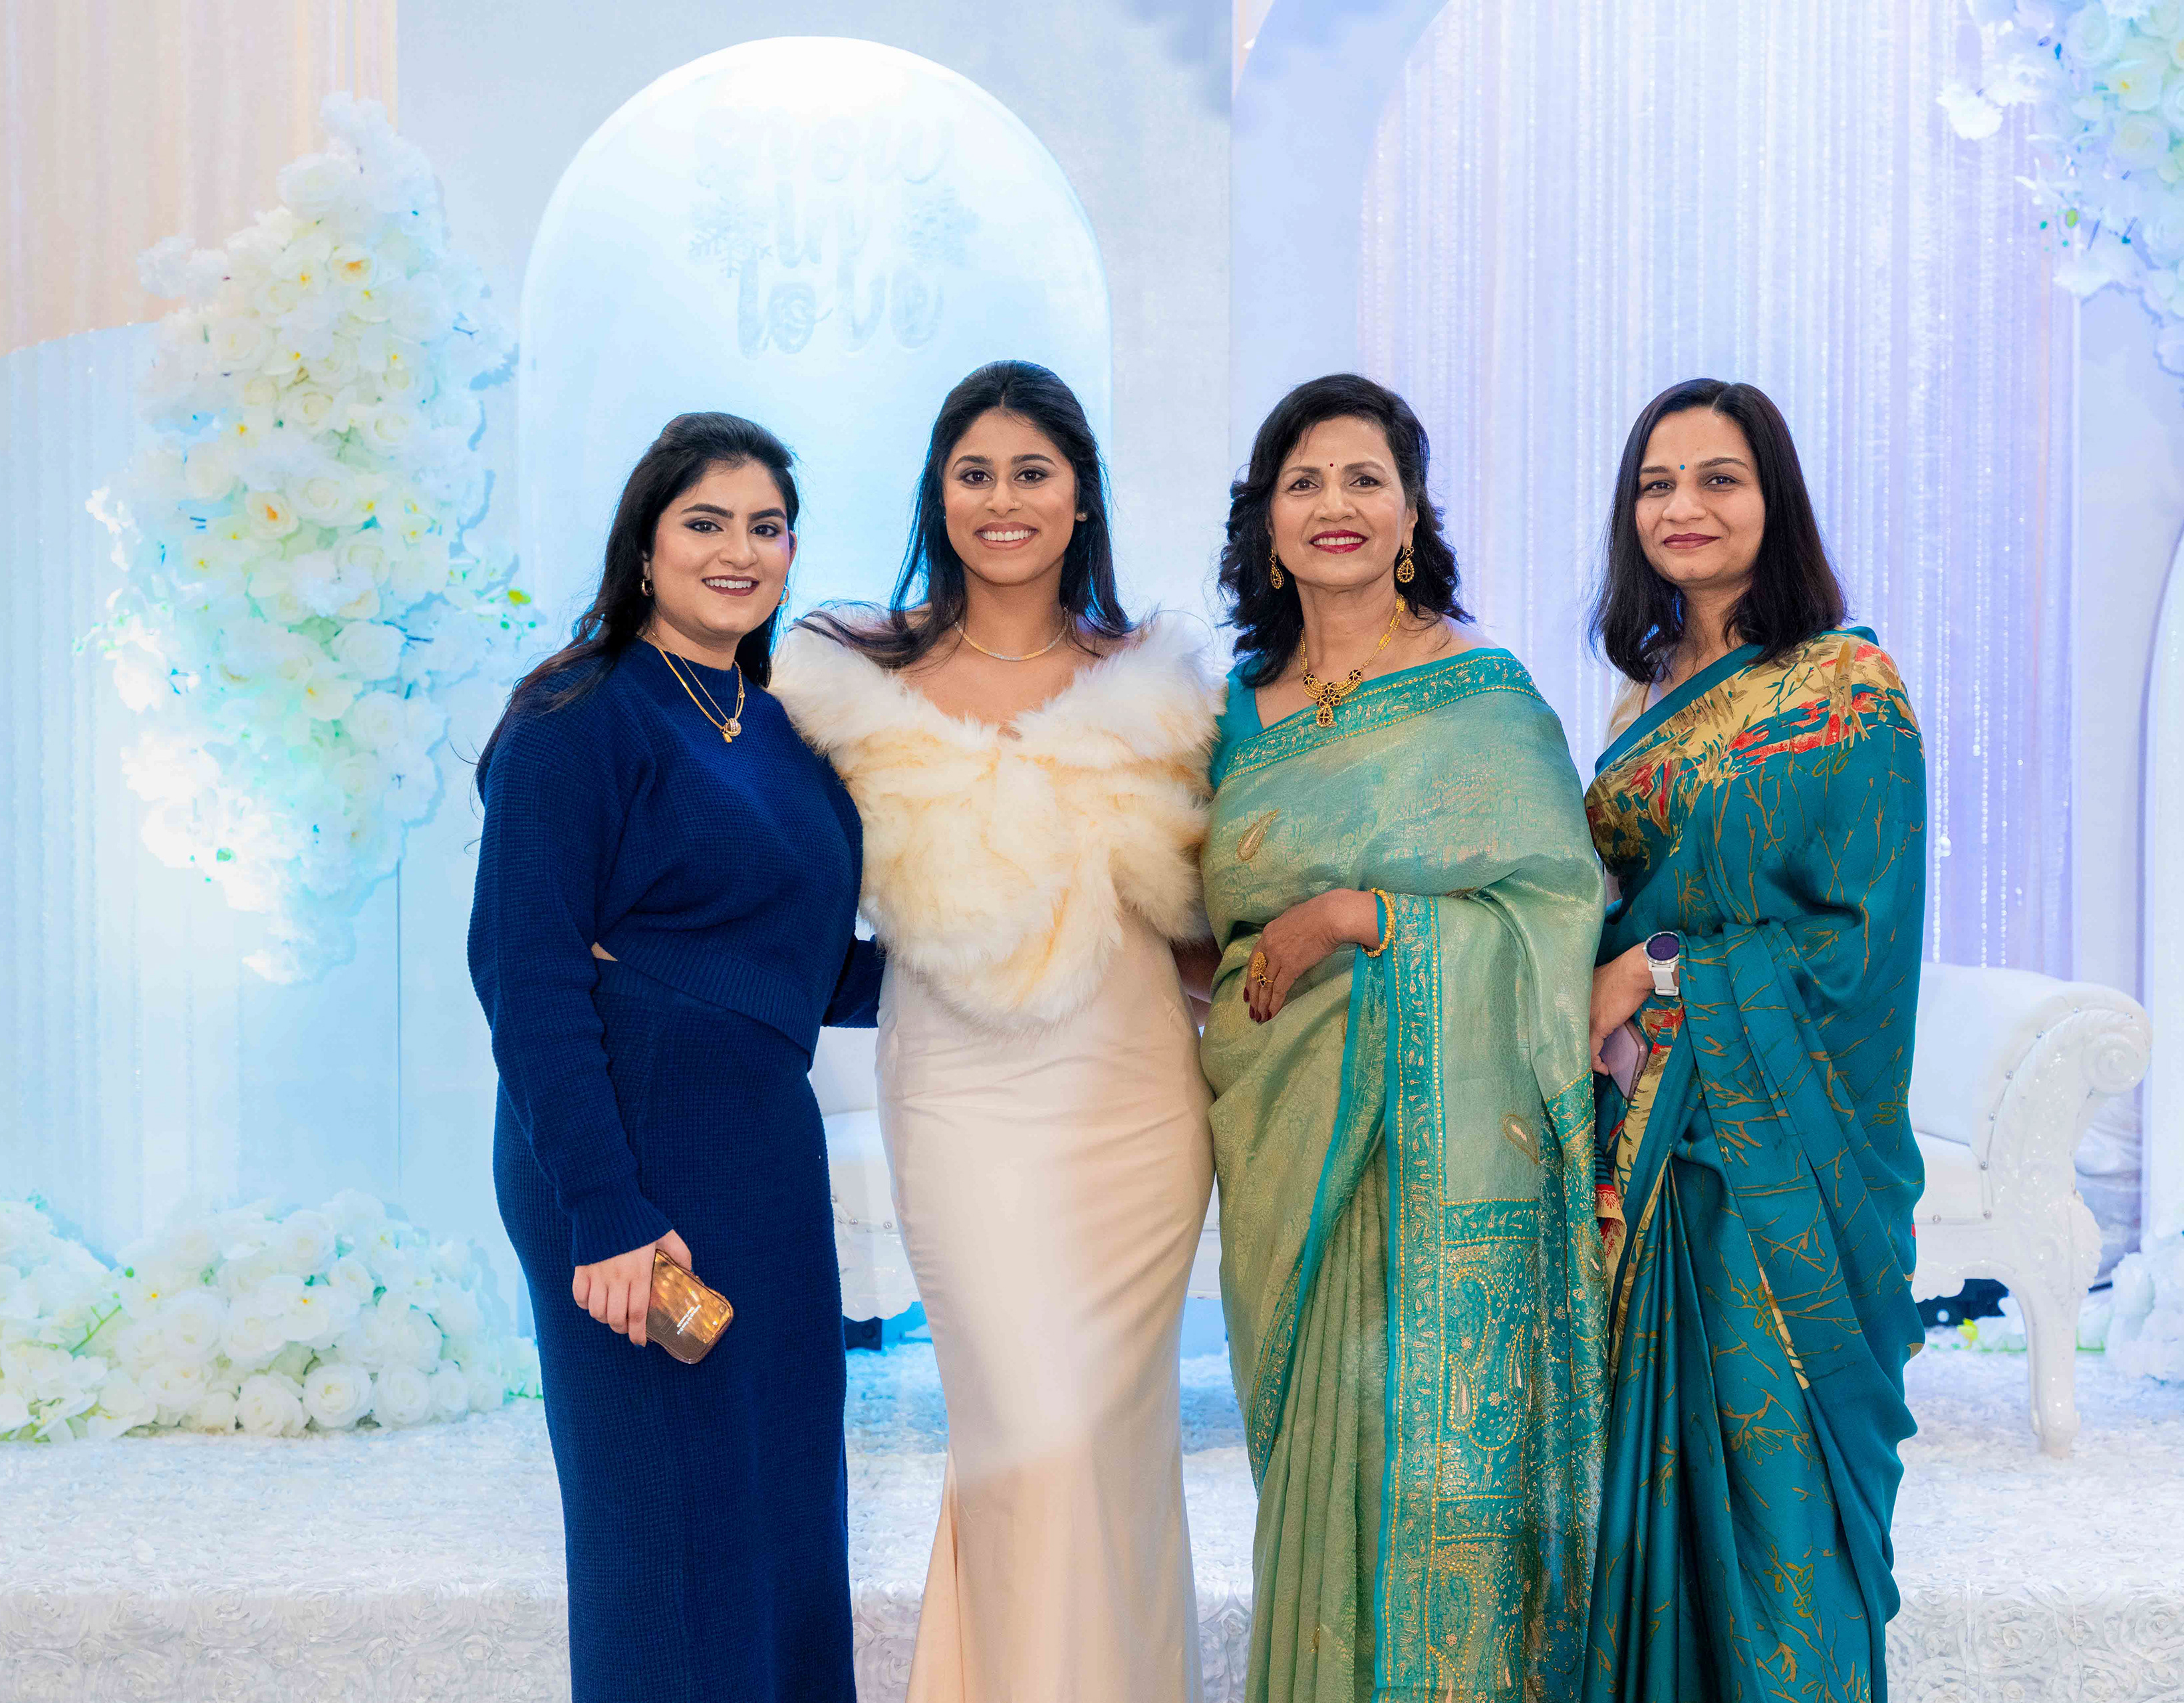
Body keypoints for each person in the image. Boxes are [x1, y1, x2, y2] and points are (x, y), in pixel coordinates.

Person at [773, 360, 1217, 1702]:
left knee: (1108, 1445)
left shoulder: (1161, 684)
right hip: (960, 1099)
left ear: (1081, 497)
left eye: (1033, 471)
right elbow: (749, 845)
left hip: (1135, 1106)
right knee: (1027, 1432)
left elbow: (1215, 915)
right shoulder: (850, 680)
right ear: (939, 493)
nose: (1003, 498)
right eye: (975, 473)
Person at [1198, 372, 1607, 1703]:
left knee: (1440, 1476)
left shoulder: (1484, 696)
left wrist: (1363, 915)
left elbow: (1555, 912)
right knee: (1313, 1481)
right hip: (1287, 1140)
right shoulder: (1233, 713)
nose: (1337, 504)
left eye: (1365, 479)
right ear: (1267, 523)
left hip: (1451, 1170)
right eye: (1304, 481)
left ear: (1412, 514)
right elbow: (1203, 929)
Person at [470, 413, 881, 1703]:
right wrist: (606, 1209)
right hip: (627, 1156)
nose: (737, 550)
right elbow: (526, 972)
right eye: (706, 522)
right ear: (645, 545)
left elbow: (806, 965)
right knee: (665, 1532)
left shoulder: (785, 731)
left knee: (784, 1515)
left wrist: (1021, 965)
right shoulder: (576, 715)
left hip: (763, 1157)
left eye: (767, 527)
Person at [1578, 378, 1927, 1703]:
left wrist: (1657, 972)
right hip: (1647, 1145)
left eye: (1718, 478)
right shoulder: (1639, 695)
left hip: (1779, 1160)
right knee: (1652, 1497)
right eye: (1656, 484)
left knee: (1778, 1500)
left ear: (1773, 498)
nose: (1685, 506)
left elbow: (1859, 946)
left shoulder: (1848, 689)